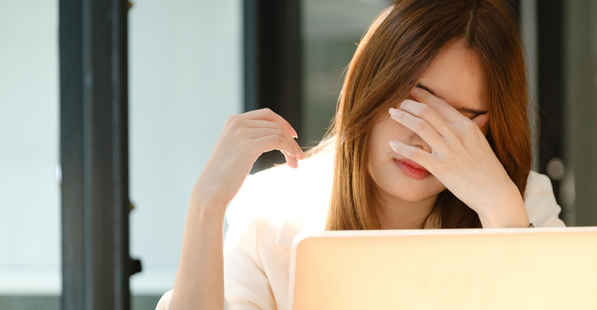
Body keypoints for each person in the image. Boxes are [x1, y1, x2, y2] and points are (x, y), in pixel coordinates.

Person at [156, 0, 565, 309]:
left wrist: (502, 215)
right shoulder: (273, 211)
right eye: (414, 104)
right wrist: (206, 203)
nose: (424, 140)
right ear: (369, 90)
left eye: (458, 121)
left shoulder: (522, 204)